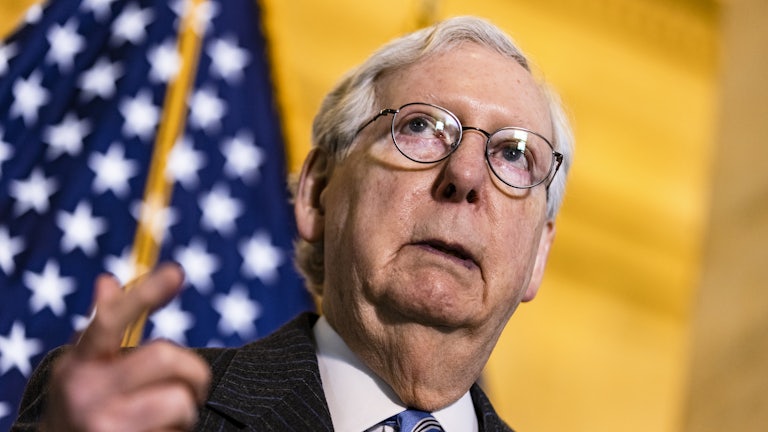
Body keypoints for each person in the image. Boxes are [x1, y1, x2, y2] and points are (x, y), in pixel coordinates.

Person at [12, 15, 573, 432]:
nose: (466, 174)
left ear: (538, 257)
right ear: (315, 192)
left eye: (515, 156)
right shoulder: (134, 417)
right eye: (423, 127)